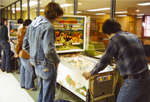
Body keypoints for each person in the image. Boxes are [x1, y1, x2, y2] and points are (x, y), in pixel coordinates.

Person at [83, 19, 150, 102]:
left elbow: (104, 61)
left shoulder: (115, 39)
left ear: (107, 33)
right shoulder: (133, 36)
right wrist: (118, 66)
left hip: (133, 82)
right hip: (147, 79)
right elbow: (129, 55)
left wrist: (90, 73)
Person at [23, 2, 63, 102]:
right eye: (58, 17)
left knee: (42, 92)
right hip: (47, 65)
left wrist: (33, 56)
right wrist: (57, 61)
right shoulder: (48, 26)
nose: (57, 20)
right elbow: (49, 51)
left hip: (37, 64)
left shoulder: (33, 24)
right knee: (48, 95)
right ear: (56, 14)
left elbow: (25, 45)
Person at [15, 19, 36, 90]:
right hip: (25, 54)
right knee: (30, 71)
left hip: (22, 53)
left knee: (23, 69)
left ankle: (22, 84)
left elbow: (19, 43)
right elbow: (22, 43)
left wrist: (17, 52)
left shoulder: (21, 30)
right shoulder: (26, 32)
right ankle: (28, 86)